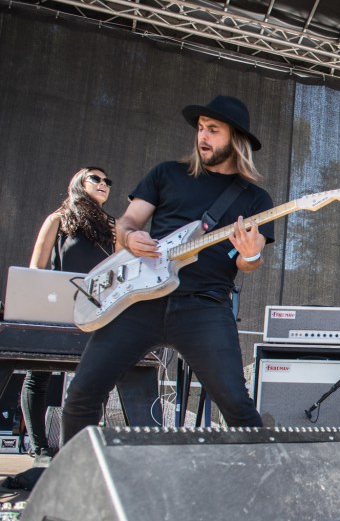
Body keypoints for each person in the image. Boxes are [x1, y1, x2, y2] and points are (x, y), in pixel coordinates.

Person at [61, 95, 273, 445]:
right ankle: (73, 482)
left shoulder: (255, 199)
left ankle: (264, 489)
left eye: (213, 130)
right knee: (83, 393)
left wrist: (250, 256)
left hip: (203, 306)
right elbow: (127, 222)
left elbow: (249, 262)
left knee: (237, 405)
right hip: (139, 302)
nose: (202, 137)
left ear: (236, 138)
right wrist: (130, 238)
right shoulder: (167, 173)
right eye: (201, 129)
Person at [20, 167, 116, 457]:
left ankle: (79, 446)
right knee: (39, 376)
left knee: (98, 376)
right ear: (79, 183)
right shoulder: (58, 220)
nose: (104, 184)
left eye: (107, 181)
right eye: (96, 179)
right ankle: (39, 447)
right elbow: (37, 268)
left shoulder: (112, 226)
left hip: (98, 309)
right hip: (58, 306)